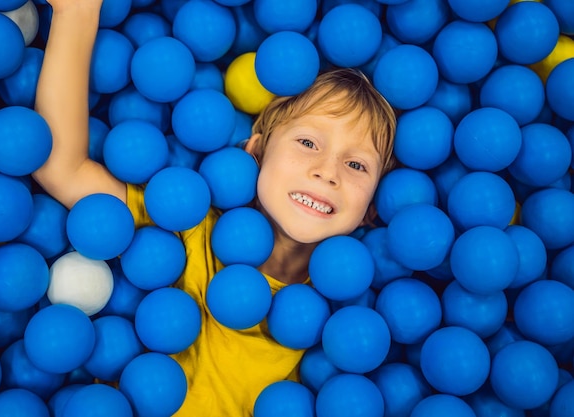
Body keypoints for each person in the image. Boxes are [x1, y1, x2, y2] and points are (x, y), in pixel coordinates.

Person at [33, 1, 397, 415]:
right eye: (308, 143)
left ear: (372, 207)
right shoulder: (185, 225)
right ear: (256, 154)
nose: (327, 173)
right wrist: (76, 13)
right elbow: (60, 169)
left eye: (356, 165)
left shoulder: (348, 333)